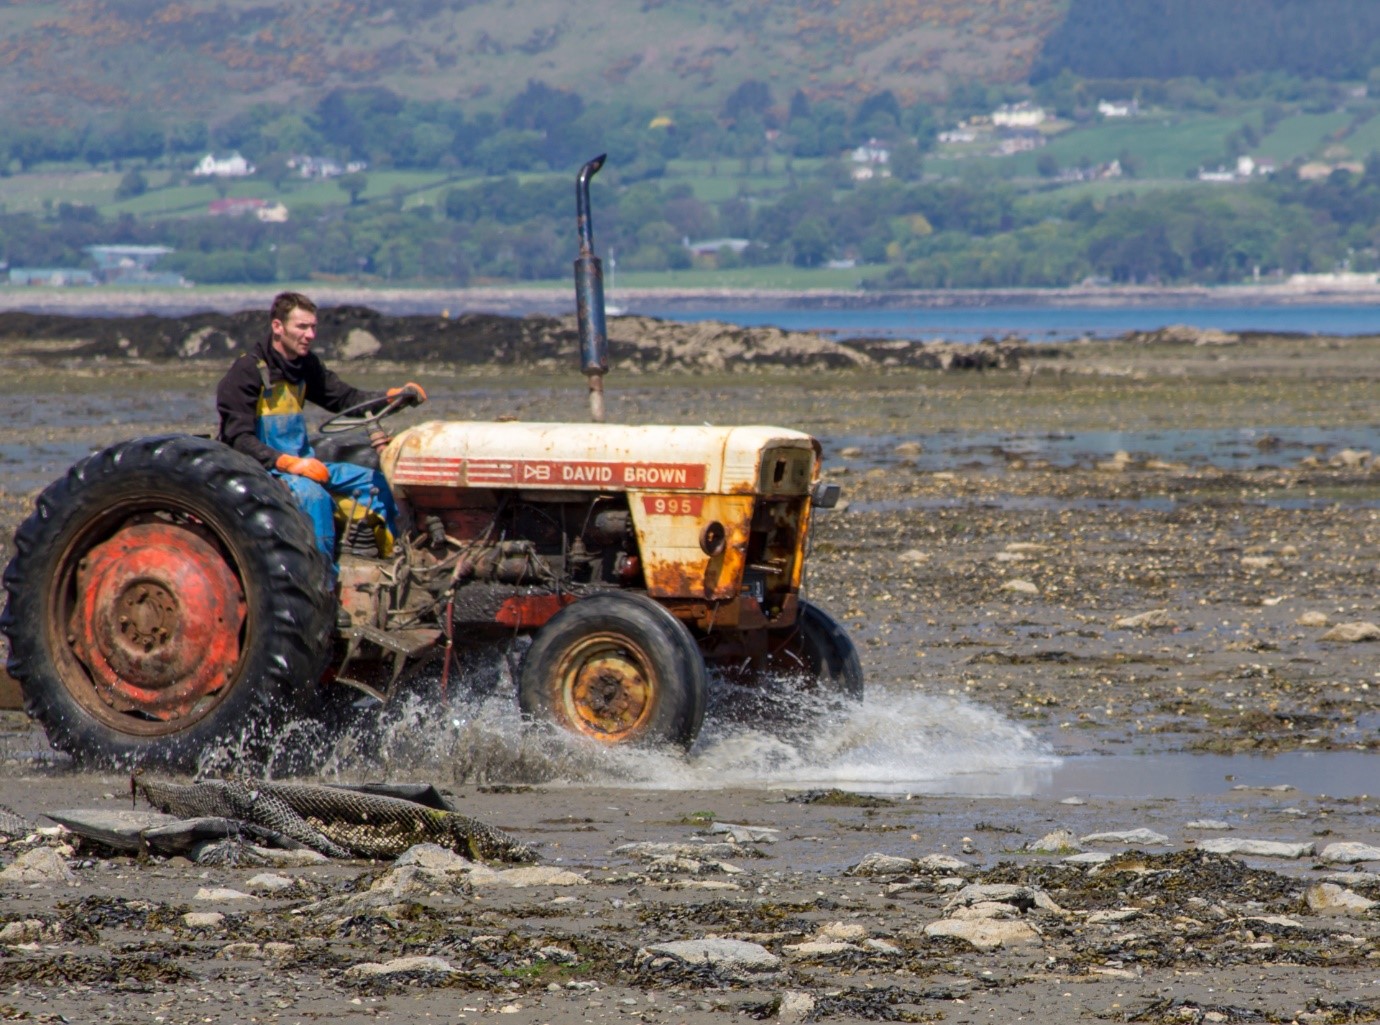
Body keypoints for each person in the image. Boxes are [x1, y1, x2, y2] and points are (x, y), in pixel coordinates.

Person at [216, 291, 425, 569]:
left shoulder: (304, 366)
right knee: (314, 497)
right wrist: (288, 462)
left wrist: (392, 397)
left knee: (378, 482)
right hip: (265, 469)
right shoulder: (248, 371)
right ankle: (322, 583)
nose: (310, 334)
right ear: (278, 327)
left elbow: (345, 399)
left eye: (313, 327)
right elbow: (238, 439)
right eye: (301, 327)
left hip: (304, 463)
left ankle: (398, 565)